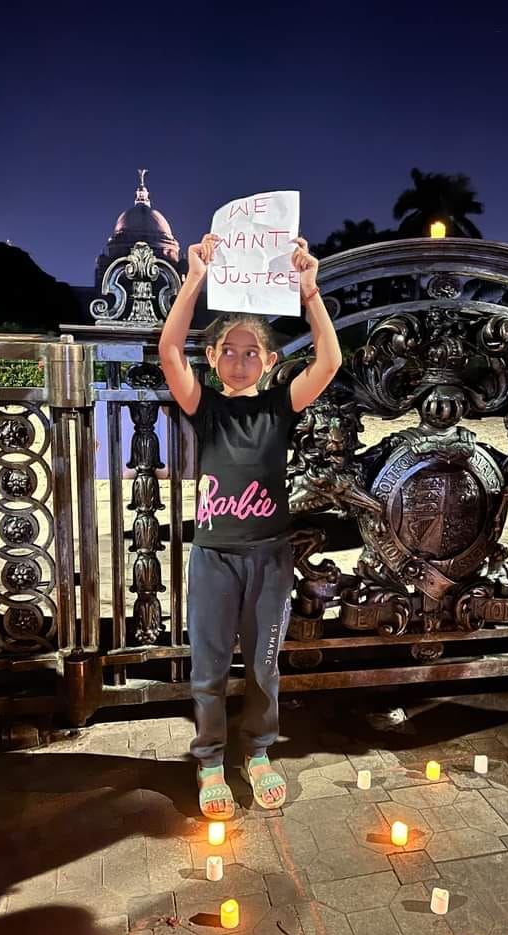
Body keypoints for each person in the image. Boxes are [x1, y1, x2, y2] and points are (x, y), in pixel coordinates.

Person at [159, 231, 342, 820]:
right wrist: (193, 279)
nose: (239, 360)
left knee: (264, 663)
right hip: (214, 557)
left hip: (270, 558)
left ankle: (258, 751)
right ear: (212, 360)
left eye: (252, 353)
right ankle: (210, 760)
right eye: (228, 351)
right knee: (208, 665)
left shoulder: (278, 406)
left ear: (269, 363)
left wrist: (310, 294)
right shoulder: (204, 408)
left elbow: (331, 361)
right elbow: (167, 352)